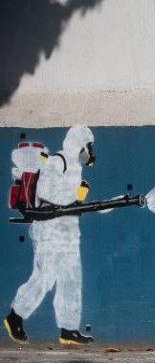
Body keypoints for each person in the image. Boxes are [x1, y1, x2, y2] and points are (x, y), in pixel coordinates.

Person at [4, 126, 96, 346]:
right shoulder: (58, 161)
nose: (90, 153)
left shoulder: (75, 168)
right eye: (88, 147)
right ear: (79, 144)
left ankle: (69, 329)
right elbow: (46, 191)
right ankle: (14, 317)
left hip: (69, 232)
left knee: (71, 279)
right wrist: (74, 196)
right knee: (44, 277)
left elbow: (74, 203)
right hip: (48, 230)